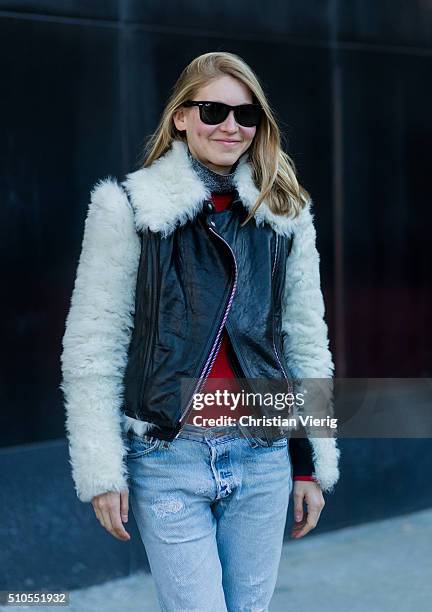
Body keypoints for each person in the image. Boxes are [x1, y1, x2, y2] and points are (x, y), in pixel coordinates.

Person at [60, 51, 340, 611]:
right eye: (213, 110)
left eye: (246, 115)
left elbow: (304, 342)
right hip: (168, 458)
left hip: (262, 455)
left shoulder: (284, 214)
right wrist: (101, 469)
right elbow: (94, 345)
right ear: (181, 117)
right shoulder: (129, 208)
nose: (230, 127)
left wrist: (310, 463)